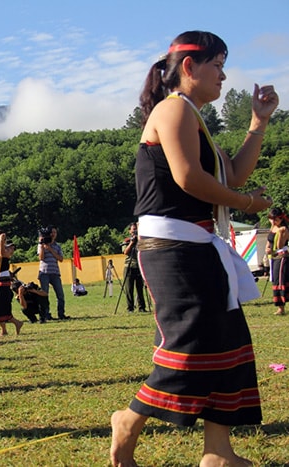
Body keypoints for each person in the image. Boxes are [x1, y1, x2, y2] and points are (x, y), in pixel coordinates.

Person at [110, 31, 278, 467]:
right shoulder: (173, 110)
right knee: (190, 345)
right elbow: (188, 178)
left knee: (226, 338)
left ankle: (218, 453)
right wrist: (247, 206)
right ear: (189, 67)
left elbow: (232, 176)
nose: (224, 76)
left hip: (201, 245)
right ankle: (127, 421)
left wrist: (258, 122)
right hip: (171, 247)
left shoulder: (195, 120)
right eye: (218, 65)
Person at [38, 225, 69, 320]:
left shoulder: (57, 246)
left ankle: (61, 314)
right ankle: (46, 314)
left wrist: (50, 249)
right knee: (44, 294)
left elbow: (61, 259)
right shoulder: (41, 245)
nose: (53, 234)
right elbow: (41, 258)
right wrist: (43, 246)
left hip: (55, 272)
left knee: (60, 294)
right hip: (44, 272)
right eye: (52, 232)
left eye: (55, 232)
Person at [265, 207, 289, 316]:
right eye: (271, 219)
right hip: (274, 258)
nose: (273, 222)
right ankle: (280, 308)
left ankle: (281, 307)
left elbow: (279, 245)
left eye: (275, 220)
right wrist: (267, 249)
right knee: (276, 281)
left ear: (280, 218)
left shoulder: (284, 229)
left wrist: (280, 233)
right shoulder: (272, 227)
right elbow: (269, 241)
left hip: (282, 257)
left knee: (281, 281)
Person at [121, 223, 146, 312]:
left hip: (139, 266)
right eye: (133, 229)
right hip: (129, 266)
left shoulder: (141, 240)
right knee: (129, 289)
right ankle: (130, 308)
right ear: (129, 231)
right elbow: (125, 252)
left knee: (140, 288)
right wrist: (131, 243)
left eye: (136, 229)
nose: (135, 231)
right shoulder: (127, 240)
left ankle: (142, 307)